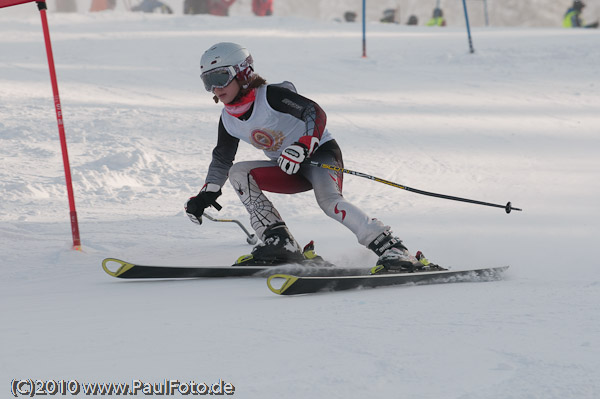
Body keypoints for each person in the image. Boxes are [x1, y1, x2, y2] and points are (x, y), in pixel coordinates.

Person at [185, 42, 424, 271]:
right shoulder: (228, 119)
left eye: (220, 78)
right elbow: (221, 158)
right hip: (288, 168)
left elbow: (314, 112)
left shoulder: (270, 96)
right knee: (239, 172)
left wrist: (304, 144)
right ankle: (279, 243)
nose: (215, 88)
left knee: (329, 202)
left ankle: (393, 248)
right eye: (208, 82)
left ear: (243, 73)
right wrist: (208, 192)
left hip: (319, 156)